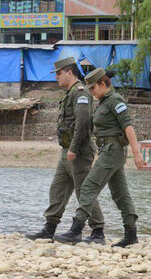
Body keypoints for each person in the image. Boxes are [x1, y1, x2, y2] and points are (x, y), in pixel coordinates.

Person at [54, 68, 144, 247]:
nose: (92, 93)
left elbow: (128, 127)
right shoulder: (104, 101)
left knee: (88, 187)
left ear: (103, 84)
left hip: (113, 149)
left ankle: (76, 229)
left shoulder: (115, 100)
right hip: (107, 151)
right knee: (120, 194)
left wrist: (137, 153)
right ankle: (131, 234)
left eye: (94, 88)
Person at [26, 57, 105, 244]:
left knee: (84, 192)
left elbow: (83, 122)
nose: (56, 78)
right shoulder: (70, 94)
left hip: (78, 152)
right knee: (58, 189)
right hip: (67, 152)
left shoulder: (81, 93)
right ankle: (49, 228)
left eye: (59, 73)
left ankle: (98, 231)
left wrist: (74, 148)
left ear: (69, 72)